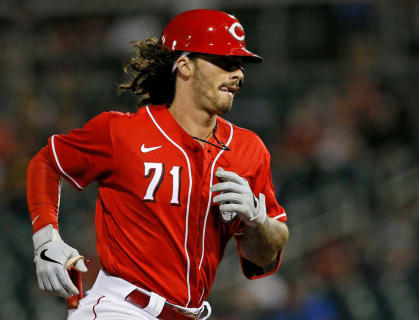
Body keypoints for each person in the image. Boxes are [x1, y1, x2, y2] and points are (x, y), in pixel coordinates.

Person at [27, 9, 289, 320]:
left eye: (239, 65)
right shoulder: (123, 131)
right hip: (122, 308)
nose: (237, 74)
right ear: (184, 65)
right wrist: (46, 236)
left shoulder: (250, 150)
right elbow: (47, 161)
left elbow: (263, 255)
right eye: (223, 62)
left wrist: (258, 222)